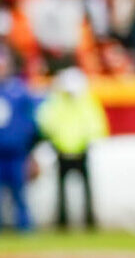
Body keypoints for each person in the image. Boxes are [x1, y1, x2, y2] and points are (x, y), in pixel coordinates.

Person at [35, 67, 106, 230]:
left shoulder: (85, 102)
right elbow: (47, 122)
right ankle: (63, 222)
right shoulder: (56, 103)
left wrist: (88, 141)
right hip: (62, 151)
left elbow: (96, 125)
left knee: (86, 191)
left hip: (81, 151)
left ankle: (89, 221)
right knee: (62, 191)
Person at [0, 50, 37, 233]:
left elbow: (31, 123)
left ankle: (25, 228)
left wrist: (30, 150)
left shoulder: (19, 92)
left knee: (20, 193)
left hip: (15, 152)